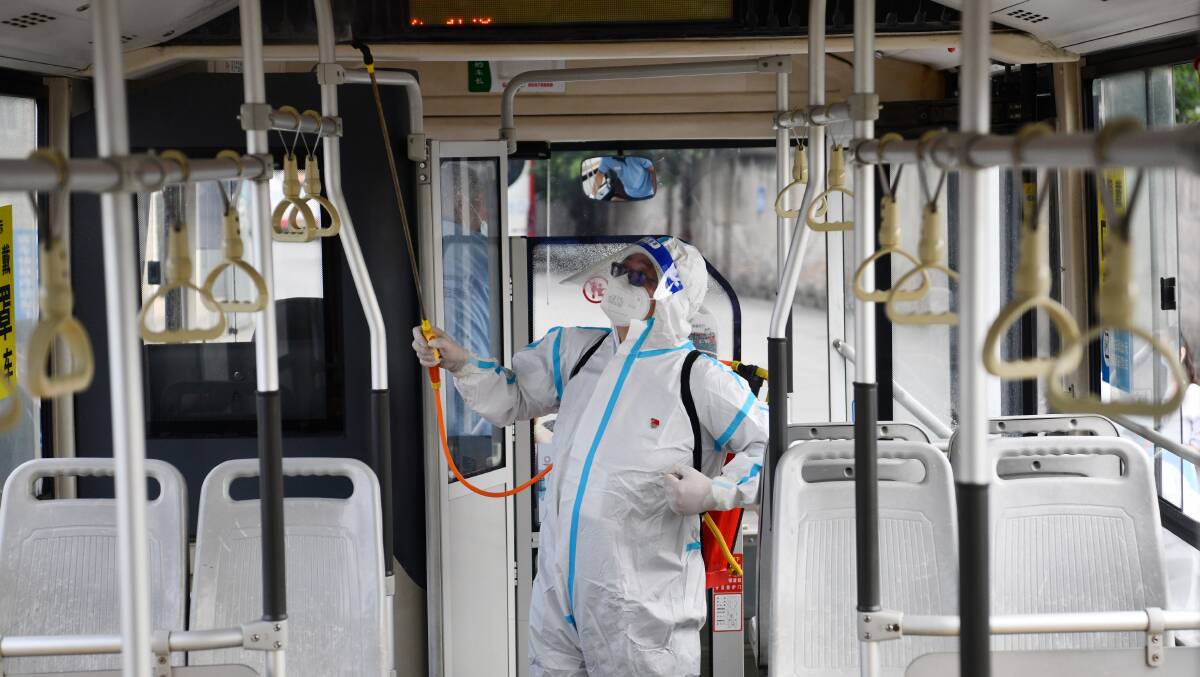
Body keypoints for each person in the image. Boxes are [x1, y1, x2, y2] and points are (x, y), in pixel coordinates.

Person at [413, 236, 766, 677]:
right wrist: (462, 363)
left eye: (642, 276)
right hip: (560, 592)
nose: (624, 281)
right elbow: (514, 397)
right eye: (621, 270)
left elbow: (770, 449)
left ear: (673, 295)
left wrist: (716, 492)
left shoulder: (698, 378)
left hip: (642, 606)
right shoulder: (577, 351)